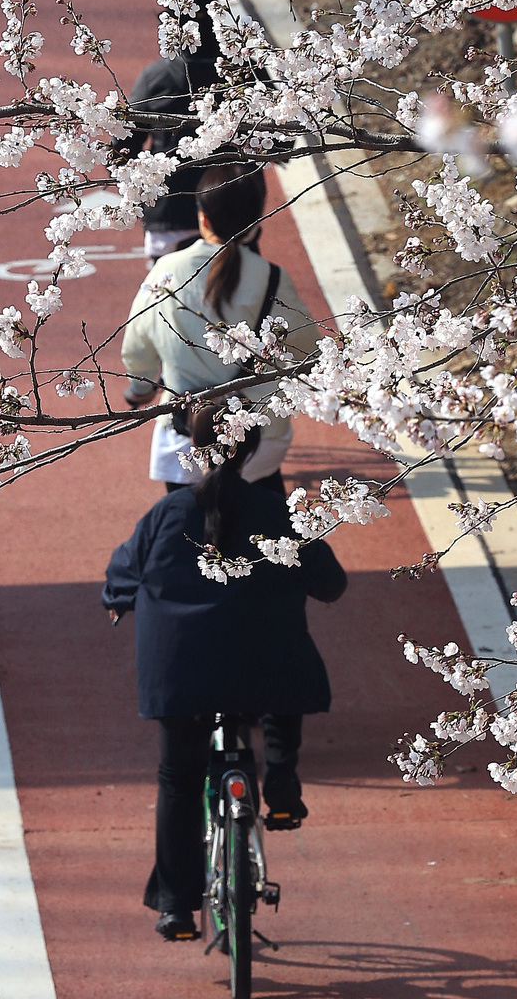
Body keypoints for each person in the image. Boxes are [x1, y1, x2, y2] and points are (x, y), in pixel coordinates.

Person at [103, 401, 348, 940]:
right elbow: (331, 585)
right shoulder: (279, 514)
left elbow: (122, 573)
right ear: (254, 448)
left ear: (192, 448)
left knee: (179, 779)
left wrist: (119, 600)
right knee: (281, 669)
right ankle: (281, 784)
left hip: (180, 673)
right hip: (266, 668)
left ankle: (175, 905)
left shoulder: (167, 515)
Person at [122, 162, 318, 488]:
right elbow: (307, 348)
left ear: (202, 216)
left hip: (187, 436)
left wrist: (140, 390)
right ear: (255, 224)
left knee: (185, 523)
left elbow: (137, 346)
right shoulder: (271, 277)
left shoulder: (166, 270)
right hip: (258, 437)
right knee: (265, 525)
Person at [119, 0, 221, 260]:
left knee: (167, 299)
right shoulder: (243, 74)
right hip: (230, 212)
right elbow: (281, 140)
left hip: (170, 213)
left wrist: (139, 184)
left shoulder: (157, 77)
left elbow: (121, 146)